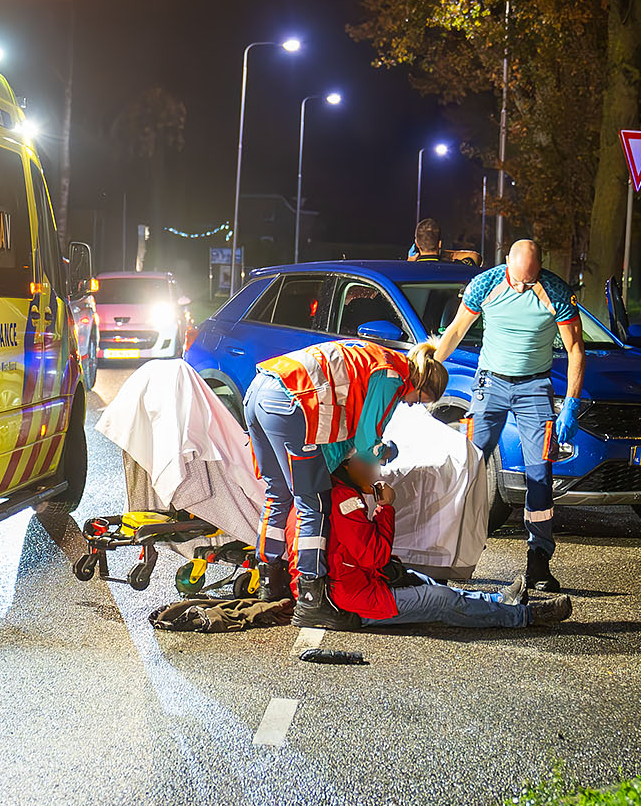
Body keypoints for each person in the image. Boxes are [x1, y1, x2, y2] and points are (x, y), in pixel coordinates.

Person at [246, 337, 451, 630]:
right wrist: (387, 451)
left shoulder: (376, 357)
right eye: (418, 399)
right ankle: (312, 599)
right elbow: (368, 441)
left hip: (260, 389)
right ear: (419, 383)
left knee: (278, 494)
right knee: (313, 503)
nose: (409, 403)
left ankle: (270, 582)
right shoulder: (393, 375)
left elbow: (343, 434)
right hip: (291, 402)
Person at [431, 238, 585, 592]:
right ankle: (447, 555)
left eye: (530, 281)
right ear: (506, 263)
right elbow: (456, 330)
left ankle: (539, 561)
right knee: (469, 467)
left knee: (539, 474)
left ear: (540, 269)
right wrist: (428, 369)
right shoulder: (485, 284)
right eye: (518, 280)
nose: (522, 287)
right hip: (490, 384)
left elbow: (576, 347)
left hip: (535, 388)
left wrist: (572, 402)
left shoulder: (556, 291)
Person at [287, 455, 572, 630]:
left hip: (351, 585)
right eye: (370, 461)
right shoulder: (344, 500)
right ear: (348, 465)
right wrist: (385, 508)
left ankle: (498, 601)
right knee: (441, 600)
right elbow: (374, 556)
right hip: (354, 600)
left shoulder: (323, 494)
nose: (377, 469)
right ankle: (524, 616)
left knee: (422, 579)